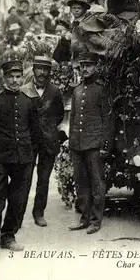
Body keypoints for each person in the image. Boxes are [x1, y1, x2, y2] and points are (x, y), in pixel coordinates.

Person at [68, 52, 114, 234]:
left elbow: (108, 120)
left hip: (94, 144)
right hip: (77, 145)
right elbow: (73, 118)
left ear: (96, 67)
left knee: (97, 184)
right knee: (81, 184)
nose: (85, 69)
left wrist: (105, 146)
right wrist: (71, 143)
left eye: (88, 65)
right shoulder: (77, 91)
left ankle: (95, 221)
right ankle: (84, 218)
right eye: (82, 66)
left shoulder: (102, 90)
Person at [0, 57, 38, 254]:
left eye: (18, 76)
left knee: (18, 199)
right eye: (11, 76)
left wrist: (31, 155)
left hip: (23, 158)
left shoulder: (28, 102)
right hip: (0, 158)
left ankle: (8, 236)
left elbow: (35, 131)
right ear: (4, 78)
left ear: (22, 78)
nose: (14, 80)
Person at [21, 56, 64, 227]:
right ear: (33, 70)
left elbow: (59, 114)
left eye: (46, 70)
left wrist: (49, 127)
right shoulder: (24, 90)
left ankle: (39, 213)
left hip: (48, 142)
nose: (42, 73)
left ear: (50, 72)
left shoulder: (55, 91)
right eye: (39, 69)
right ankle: (19, 214)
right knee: (24, 179)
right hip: (28, 142)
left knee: (43, 180)